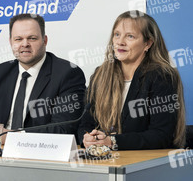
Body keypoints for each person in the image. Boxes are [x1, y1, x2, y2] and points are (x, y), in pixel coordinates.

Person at [79, 11, 186, 150]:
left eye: (130, 36)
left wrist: (112, 142)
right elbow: (85, 125)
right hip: (105, 161)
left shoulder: (161, 76)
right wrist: (88, 138)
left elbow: (162, 135)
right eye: (117, 34)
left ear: (148, 43)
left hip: (145, 165)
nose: (120, 42)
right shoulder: (101, 75)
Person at [0, 13, 86, 140]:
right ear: (10, 42)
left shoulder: (67, 73)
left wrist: (11, 137)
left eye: (32, 38)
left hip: (40, 154)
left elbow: (63, 129)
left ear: (44, 40)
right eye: (18, 39)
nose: (25, 44)